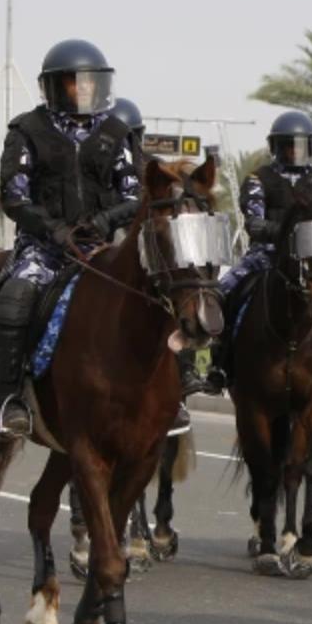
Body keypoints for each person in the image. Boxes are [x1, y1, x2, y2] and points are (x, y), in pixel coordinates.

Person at [0, 39, 139, 437]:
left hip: (100, 245)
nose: (85, 90)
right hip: (43, 246)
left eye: (92, 82)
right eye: (76, 83)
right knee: (16, 295)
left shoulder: (117, 132)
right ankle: (11, 399)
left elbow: (135, 195)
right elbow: (14, 195)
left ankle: (175, 394)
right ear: (56, 87)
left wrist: (106, 220)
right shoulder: (27, 130)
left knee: (154, 290)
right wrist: (53, 230)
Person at [202, 111, 312, 402]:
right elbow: (254, 224)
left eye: (302, 145)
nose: (296, 151)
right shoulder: (258, 179)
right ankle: (220, 365)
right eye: (290, 145)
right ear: (277, 147)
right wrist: (289, 232)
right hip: (266, 256)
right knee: (221, 295)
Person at [108, 97, 202, 432]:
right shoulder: (93, 161)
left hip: (144, 247)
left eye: (128, 136)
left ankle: (186, 375)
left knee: (190, 300)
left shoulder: (155, 169)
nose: (123, 143)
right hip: (101, 243)